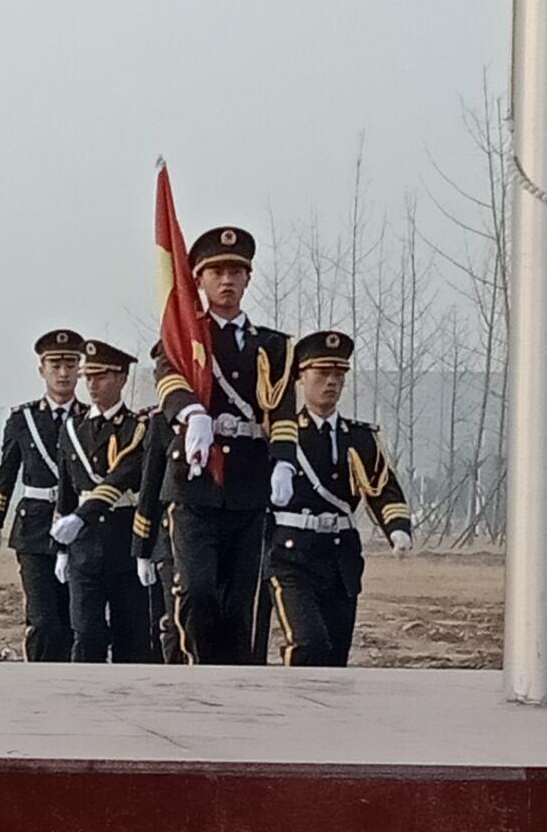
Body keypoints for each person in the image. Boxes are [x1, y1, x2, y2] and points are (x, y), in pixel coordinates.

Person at [151, 226, 298, 664]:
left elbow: (282, 410)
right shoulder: (185, 338)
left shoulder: (272, 347)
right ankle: (196, 670)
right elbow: (168, 377)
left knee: (242, 602)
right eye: (217, 272)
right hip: (195, 484)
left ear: (248, 278)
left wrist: (284, 462)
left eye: (236, 271)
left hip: (248, 483)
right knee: (196, 589)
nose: (227, 280)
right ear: (198, 279)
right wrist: (192, 413)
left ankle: (238, 682)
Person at [266, 330, 413, 666]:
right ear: (302, 377)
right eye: (322, 373)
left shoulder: (360, 438)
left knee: (334, 657)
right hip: (291, 555)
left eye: (339, 374)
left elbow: (383, 488)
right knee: (307, 643)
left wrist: (397, 529)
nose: (331, 382)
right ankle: (294, 698)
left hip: (339, 558)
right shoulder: (283, 435)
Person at [50, 338, 155, 664]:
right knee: (86, 633)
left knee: (131, 636)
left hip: (124, 542)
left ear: (122, 378)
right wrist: (62, 550)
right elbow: (67, 492)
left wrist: (144, 551)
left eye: (101, 376)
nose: (92, 385)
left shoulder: (138, 428)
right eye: (88, 377)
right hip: (83, 548)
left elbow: (124, 476)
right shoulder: (72, 429)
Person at [0, 328, 84, 662]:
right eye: (55, 365)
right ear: (42, 369)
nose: (63, 373)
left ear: (80, 370)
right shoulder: (23, 419)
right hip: (34, 528)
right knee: (43, 620)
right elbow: (6, 473)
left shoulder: (89, 418)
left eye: (70, 365)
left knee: (73, 619)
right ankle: (39, 677)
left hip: (76, 527)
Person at [133, 344, 182, 663]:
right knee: (176, 623)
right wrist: (143, 549)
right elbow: (149, 487)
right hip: (171, 541)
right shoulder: (160, 423)